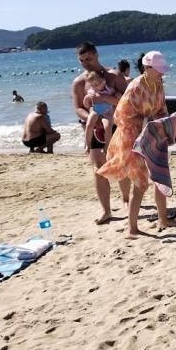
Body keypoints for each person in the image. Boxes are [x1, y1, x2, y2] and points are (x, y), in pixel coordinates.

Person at [98, 51, 176, 239]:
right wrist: (146, 121)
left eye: (162, 69)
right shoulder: (135, 86)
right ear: (147, 68)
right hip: (132, 138)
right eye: (158, 69)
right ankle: (132, 229)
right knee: (140, 183)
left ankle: (163, 219)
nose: (161, 73)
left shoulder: (158, 83)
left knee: (160, 176)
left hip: (153, 134)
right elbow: (120, 116)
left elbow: (161, 109)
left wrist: (167, 125)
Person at [71, 42, 130, 225]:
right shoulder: (79, 82)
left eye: (88, 59)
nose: (85, 63)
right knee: (98, 169)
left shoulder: (114, 76)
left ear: (96, 55)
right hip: (96, 127)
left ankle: (126, 201)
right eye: (81, 60)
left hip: (116, 125)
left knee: (120, 165)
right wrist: (92, 119)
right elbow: (78, 108)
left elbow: (128, 102)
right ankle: (106, 210)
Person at [81, 71, 117, 153]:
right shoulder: (91, 92)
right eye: (92, 85)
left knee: (108, 127)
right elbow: (86, 105)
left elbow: (116, 99)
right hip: (96, 111)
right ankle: (88, 144)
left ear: (103, 82)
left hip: (107, 112)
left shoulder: (109, 90)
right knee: (89, 124)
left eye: (96, 85)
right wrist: (86, 98)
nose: (94, 87)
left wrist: (116, 95)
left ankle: (107, 146)